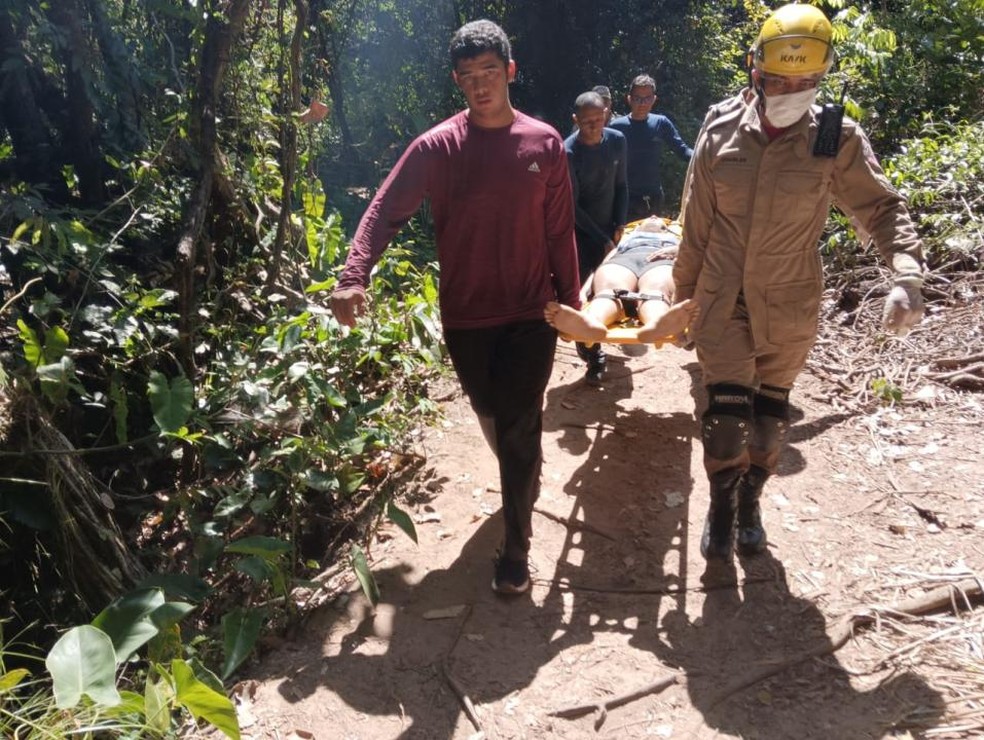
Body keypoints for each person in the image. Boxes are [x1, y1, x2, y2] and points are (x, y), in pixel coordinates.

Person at [330, 20, 581, 595]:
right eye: (468, 77)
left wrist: (572, 305)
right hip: (466, 317)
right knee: (492, 417)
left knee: (518, 425)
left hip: (528, 314)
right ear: (457, 83)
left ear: (510, 72)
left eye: (490, 72)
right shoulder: (436, 149)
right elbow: (383, 210)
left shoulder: (543, 143)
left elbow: (559, 229)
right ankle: (523, 475)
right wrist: (353, 274)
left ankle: (516, 550)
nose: (480, 85)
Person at [674, 4, 927, 562]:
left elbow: (880, 207)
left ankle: (750, 504)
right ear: (754, 70)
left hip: (789, 301)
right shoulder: (719, 129)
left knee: (768, 418)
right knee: (724, 415)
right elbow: (695, 222)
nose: (793, 89)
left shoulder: (834, 137)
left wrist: (906, 271)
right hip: (722, 298)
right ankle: (719, 507)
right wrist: (681, 300)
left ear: (822, 76)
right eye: (782, 78)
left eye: (807, 80)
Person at [545, 217, 699, 346]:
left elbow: (692, 257)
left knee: (656, 292)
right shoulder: (625, 241)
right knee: (607, 292)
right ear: (637, 229)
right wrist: (584, 291)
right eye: (650, 218)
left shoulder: (677, 242)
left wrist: (678, 250)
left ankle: (657, 323)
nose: (653, 216)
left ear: (667, 230)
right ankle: (592, 323)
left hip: (661, 261)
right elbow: (602, 265)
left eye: (659, 221)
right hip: (623, 259)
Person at [564, 90, 629, 385]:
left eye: (598, 118)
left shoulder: (616, 141)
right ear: (576, 121)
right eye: (586, 121)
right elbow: (572, 206)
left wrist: (620, 223)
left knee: (612, 287)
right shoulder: (568, 153)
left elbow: (622, 185)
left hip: (609, 228)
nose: (593, 126)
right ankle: (593, 355)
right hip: (580, 232)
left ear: (606, 114)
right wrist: (603, 237)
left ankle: (614, 334)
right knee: (581, 294)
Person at [609, 74, 693, 220]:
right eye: (637, 98)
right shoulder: (617, 127)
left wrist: (707, 157)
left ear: (654, 99)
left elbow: (683, 150)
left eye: (647, 98)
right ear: (629, 99)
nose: (642, 103)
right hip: (625, 198)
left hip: (654, 197)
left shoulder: (661, 123)